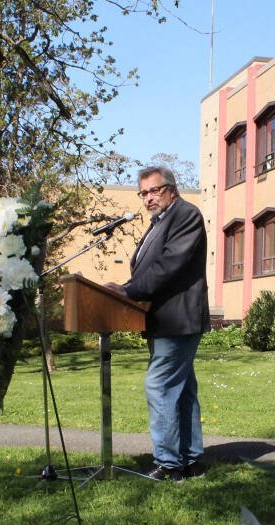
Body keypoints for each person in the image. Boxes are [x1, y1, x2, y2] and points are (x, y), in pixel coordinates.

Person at [106, 166, 211, 481]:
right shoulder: (159, 222)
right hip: (163, 320)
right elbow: (147, 270)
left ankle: (169, 464)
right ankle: (190, 462)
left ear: (172, 189)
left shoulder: (186, 216)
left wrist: (127, 290)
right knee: (181, 391)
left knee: (160, 385)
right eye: (144, 193)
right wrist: (126, 288)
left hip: (178, 319)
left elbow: (168, 267)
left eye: (154, 190)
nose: (148, 197)